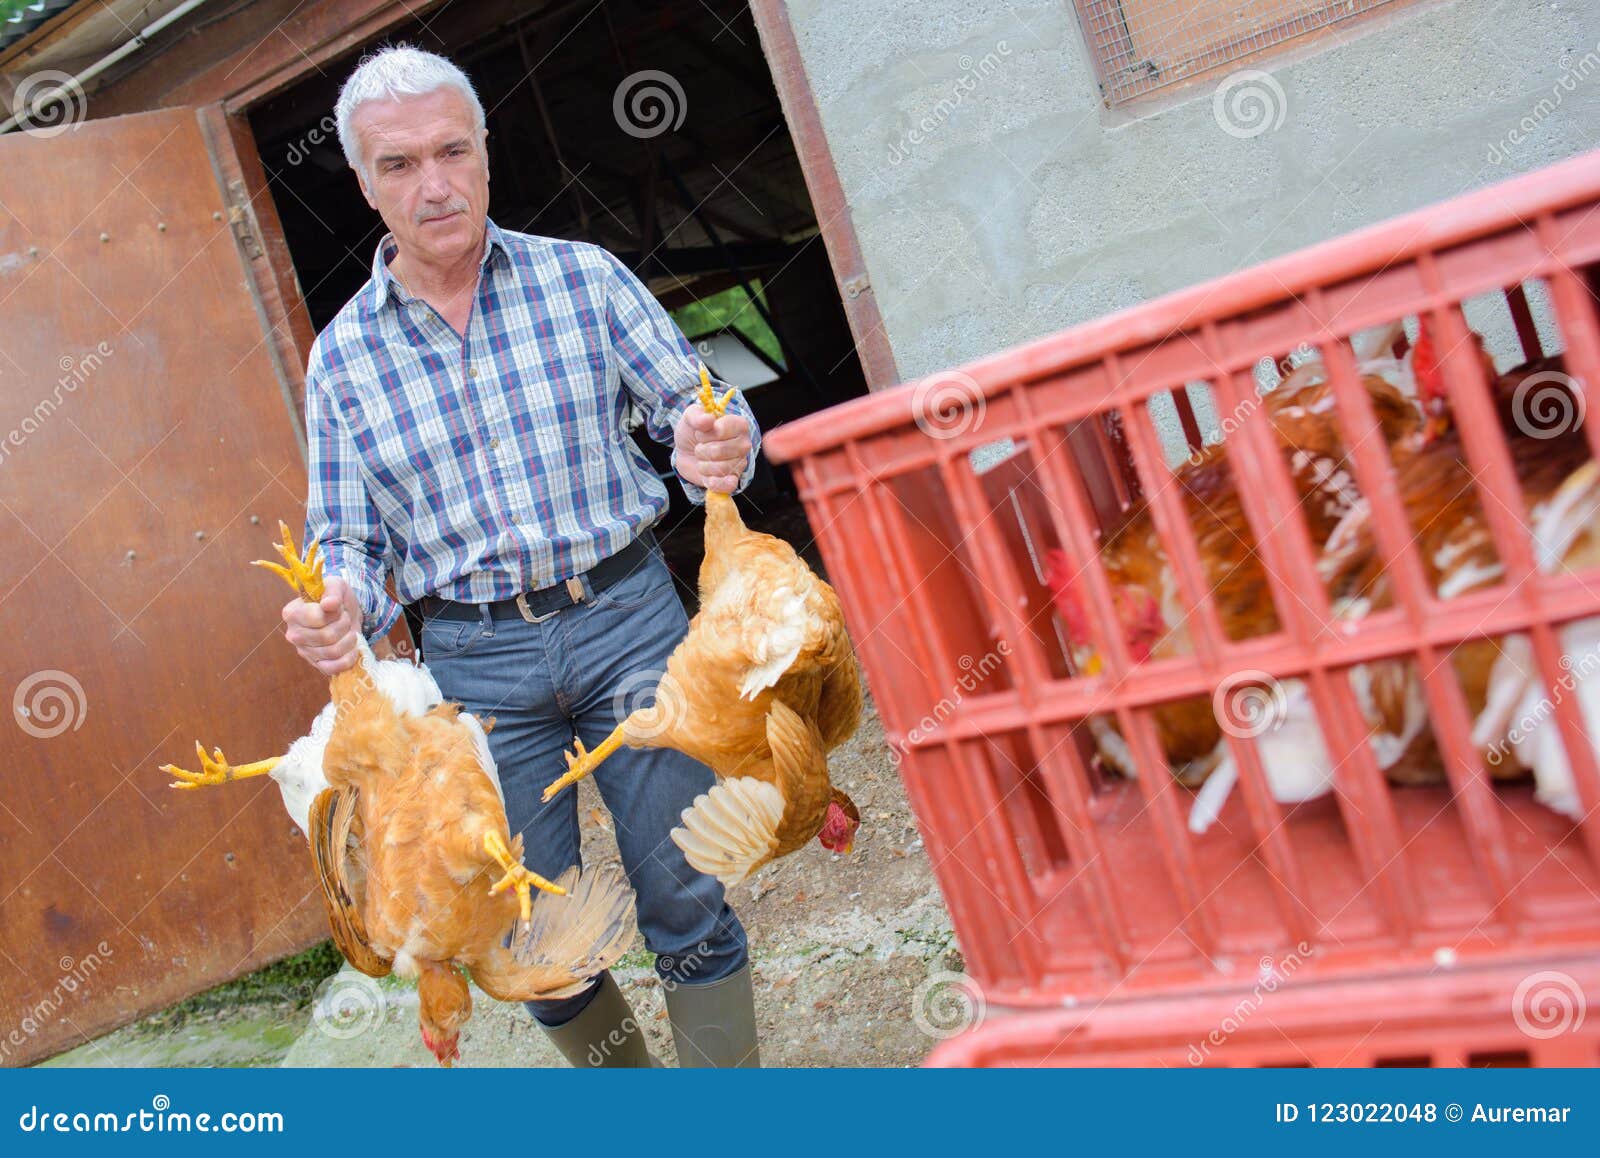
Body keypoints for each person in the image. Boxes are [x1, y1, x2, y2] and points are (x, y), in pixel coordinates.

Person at [277, 44, 761, 1068]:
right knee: (533, 936)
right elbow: (349, 539)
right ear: (363, 184)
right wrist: (337, 604)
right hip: (476, 666)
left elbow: (695, 405)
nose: (434, 184)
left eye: (452, 152)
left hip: (627, 618)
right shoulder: (344, 357)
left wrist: (714, 437)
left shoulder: (582, 280)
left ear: (486, 157)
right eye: (399, 165)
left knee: (686, 889)